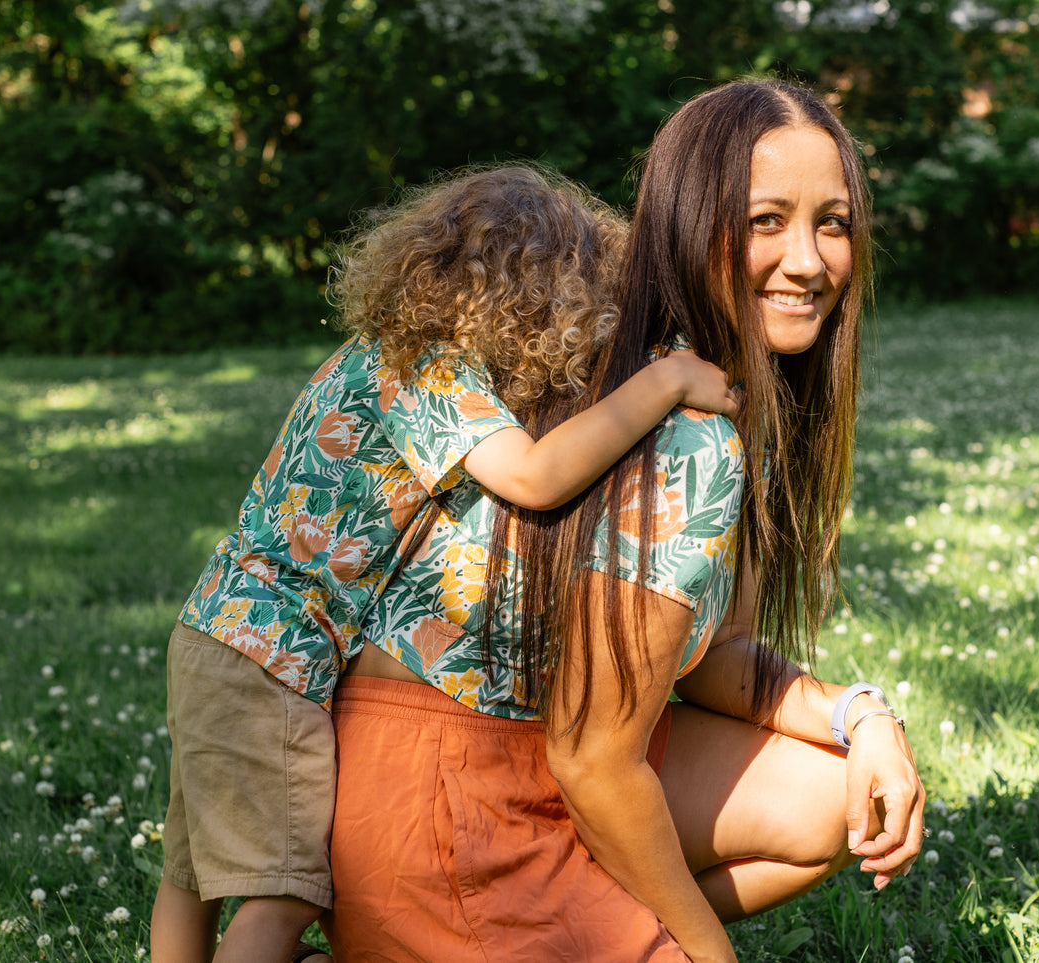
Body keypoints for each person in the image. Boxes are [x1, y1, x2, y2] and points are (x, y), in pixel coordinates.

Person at [322, 77, 927, 963]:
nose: (807, 260)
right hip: (444, 800)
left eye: (831, 222)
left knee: (830, 793)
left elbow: (717, 655)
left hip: (545, 762)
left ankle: (598, 916)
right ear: (689, 223)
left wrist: (863, 717)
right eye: (766, 221)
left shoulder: (719, 399)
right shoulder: (681, 423)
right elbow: (595, 759)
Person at [148, 165, 739, 963]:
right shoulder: (426, 370)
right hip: (276, 655)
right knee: (278, 895)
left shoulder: (370, 352)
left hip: (216, 631)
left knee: (191, 873)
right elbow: (534, 477)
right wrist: (666, 380)